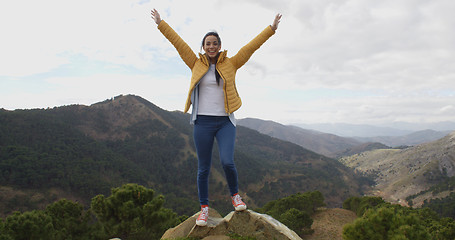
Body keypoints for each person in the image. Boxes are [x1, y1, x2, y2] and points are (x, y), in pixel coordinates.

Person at [151, 8, 281, 226]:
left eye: (215, 43)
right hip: (202, 122)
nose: (211, 46)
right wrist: (160, 23)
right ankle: (204, 208)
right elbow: (178, 42)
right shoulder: (195, 63)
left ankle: (235, 196)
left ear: (220, 46)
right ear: (203, 47)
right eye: (208, 43)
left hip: (225, 123)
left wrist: (271, 29)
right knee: (203, 168)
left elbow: (251, 47)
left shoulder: (231, 63)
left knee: (227, 161)